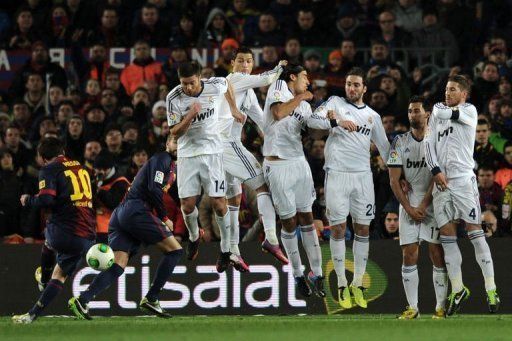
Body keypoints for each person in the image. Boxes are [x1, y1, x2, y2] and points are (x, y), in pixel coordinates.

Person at [68, 135, 182, 319]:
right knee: (175, 251)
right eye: (175, 141)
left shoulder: (172, 166)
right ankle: (152, 298)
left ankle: (82, 300)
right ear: (167, 143)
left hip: (121, 214)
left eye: (182, 143)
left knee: (119, 264)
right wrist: (164, 217)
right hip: (136, 211)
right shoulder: (163, 159)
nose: (178, 146)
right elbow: (153, 189)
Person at [312, 67, 390, 309]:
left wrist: (400, 175)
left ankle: (357, 284)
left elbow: (385, 148)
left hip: (363, 178)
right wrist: (335, 120)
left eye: (356, 84)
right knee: (337, 229)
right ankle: (341, 283)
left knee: (363, 229)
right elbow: (312, 119)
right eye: (348, 84)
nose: (351, 88)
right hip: (337, 175)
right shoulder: (334, 103)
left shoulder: (373, 117)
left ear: (364, 88)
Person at [424, 75, 500, 315]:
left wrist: (439, 112)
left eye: (453, 90)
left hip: (463, 181)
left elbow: (444, 114)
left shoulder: (470, 111)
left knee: (474, 232)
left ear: (464, 94)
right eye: (446, 89)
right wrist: (435, 170)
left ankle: (491, 288)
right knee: (447, 236)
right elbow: (428, 144)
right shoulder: (437, 110)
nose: (447, 93)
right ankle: (458, 289)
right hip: (440, 182)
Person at [217, 46, 288, 270]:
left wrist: (272, 136)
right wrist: (280, 67)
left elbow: (260, 119)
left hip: (218, 149)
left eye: (249, 61)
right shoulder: (235, 79)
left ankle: (231, 250)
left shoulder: (246, 90)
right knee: (263, 187)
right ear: (233, 64)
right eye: (241, 61)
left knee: (233, 199)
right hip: (228, 144)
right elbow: (267, 78)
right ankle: (270, 238)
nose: (245, 65)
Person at [12, 137, 96, 324]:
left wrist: (28, 200)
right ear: (63, 152)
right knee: (60, 276)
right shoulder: (81, 167)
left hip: (65, 231)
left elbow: (46, 200)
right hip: (88, 234)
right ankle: (31, 314)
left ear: (42, 158)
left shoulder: (49, 169)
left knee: (50, 235)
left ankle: (43, 278)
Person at [262, 64, 325, 298]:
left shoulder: (305, 105)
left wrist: (329, 121)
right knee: (289, 223)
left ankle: (317, 274)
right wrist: (301, 97)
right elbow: (278, 113)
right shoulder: (279, 87)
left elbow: (314, 133)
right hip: (278, 165)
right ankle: (298, 274)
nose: (308, 82)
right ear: (292, 77)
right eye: (305, 77)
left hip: (299, 163)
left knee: (308, 217)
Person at [167, 61, 235, 272]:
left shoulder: (215, 85)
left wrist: (233, 108)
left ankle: (225, 250)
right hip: (187, 155)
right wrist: (190, 115)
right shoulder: (173, 97)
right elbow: (175, 132)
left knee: (219, 204)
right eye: (184, 83)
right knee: (187, 206)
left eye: (191, 83)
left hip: (213, 153)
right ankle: (195, 237)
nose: (187, 88)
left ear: (199, 78)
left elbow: (228, 83)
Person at [388, 96, 448, 319]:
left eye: (417, 110)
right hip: (408, 203)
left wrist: (423, 204)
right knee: (409, 254)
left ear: (427, 114)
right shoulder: (399, 142)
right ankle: (413, 308)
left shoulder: (436, 140)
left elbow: (439, 174)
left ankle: (440, 307)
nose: (413, 114)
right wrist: (409, 207)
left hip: (434, 202)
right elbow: (394, 180)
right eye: (410, 111)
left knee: (436, 253)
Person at [93, 151, 130, 243]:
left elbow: (113, 204)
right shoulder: (94, 180)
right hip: (95, 228)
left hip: (112, 229)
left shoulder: (121, 182)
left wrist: (99, 191)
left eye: (105, 169)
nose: (101, 172)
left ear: (110, 167)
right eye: (98, 169)